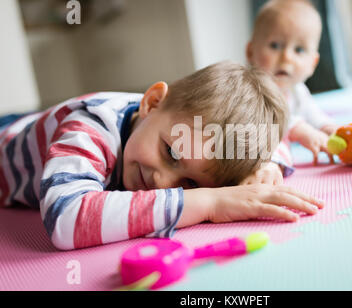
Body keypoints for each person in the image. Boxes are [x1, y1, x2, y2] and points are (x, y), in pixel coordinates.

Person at [0, 61, 324, 250]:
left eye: (190, 184)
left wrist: (267, 166)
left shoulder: (180, 133)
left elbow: (274, 141)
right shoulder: (90, 127)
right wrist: (209, 202)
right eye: (170, 152)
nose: (162, 183)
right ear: (152, 102)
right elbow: (66, 218)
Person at [246, 0, 339, 165]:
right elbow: (267, 121)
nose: (287, 57)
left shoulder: (298, 90)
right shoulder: (252, 87)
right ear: (251, 52)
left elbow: (312, 113)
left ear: (313, 63)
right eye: (275, 46)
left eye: (299, 50)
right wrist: (297, 128)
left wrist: (326, 127)